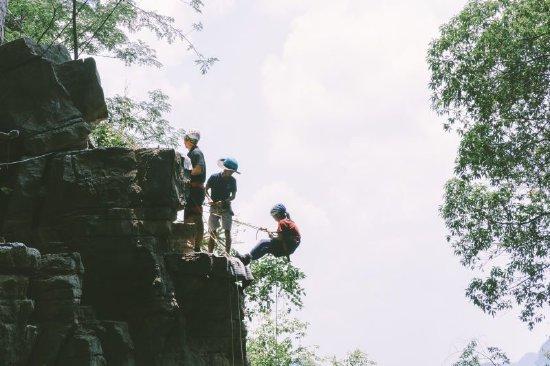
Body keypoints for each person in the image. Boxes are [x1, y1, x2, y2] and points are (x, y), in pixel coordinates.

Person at [235, 204, 300, 265]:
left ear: (277, 215)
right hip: (289, 248)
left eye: (273, 216)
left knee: (263, 242)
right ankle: (248, 259)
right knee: (265, 249)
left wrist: (271, 237)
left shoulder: (282, 222)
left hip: (285, 247)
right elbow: (284, 234)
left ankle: (246, 258)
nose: (274, 218)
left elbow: (280, 238)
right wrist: (268, 231)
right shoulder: (288, 221)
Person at [205, 158, 240, 254]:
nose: (232, 173)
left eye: (233, 172)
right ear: (225, 169)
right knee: (213, 231)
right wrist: (209, 199)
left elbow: (233, 196)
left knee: (227, 231)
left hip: (226, 207)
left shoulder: (233, 181)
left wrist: (225, 201)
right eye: (231, 171)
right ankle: (210, 253)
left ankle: (227, 253)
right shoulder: (214, 177)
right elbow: (206, 190)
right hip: (214, 207)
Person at [183, 129, 206, 251]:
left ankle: (196, 247)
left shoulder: (196, 153)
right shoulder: (191, 154)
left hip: (196, 189)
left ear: (189, 140)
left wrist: (185, 176)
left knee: (196, 217)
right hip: (192, 189)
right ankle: (188, 246)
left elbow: (198, 168)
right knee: (188, 217)